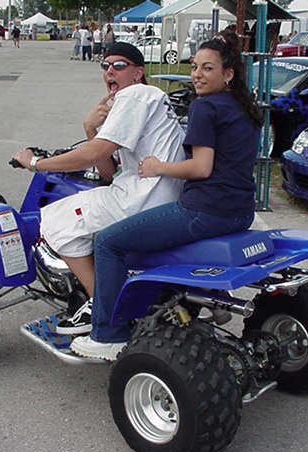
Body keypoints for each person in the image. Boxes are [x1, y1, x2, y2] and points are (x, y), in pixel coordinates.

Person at [69, 32, 263, 360]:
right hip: (241, 211)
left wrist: (158, 167)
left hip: (204, 210)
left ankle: (107, 335)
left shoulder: (205, 107)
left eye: (208, 68)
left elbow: (201, 168)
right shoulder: (245, 108)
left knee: (107, 242)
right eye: (194, 67)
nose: (197, 74)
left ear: (228, 74)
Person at [12, 42, 186, 334]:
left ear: (138, 73)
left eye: (119, 65)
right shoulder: (153, 98)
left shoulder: (135, 95)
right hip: (160, 196)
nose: (109, 71)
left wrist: (35, 163)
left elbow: (93, 154)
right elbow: (107, 172)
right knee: (87, 209)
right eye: (105, 66)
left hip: (143, 197)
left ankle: (101, 306)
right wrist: (90, 129)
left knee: (56, 221)